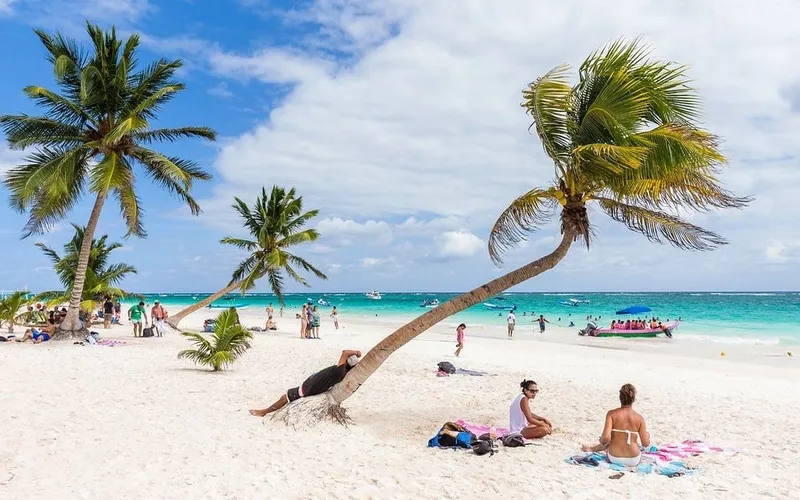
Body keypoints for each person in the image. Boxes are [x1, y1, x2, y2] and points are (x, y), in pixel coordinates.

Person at [249, 349, 362, 417]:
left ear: (346, 362)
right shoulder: (344, 372)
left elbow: (345, 352)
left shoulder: (339, 370)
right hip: (312, 386)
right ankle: (265, 411)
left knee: (284, 397)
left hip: (308, 389)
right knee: (287, 397)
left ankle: (264, 412)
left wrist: (356, 352)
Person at [581, 384, 650, 467]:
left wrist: (604, 440)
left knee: (612, 439)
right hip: (633, 459)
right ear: (634, 399)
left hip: (614, 457)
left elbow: (605, 439)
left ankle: (591, 449)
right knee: (643, 435)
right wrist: (647, 436)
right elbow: (645, 444)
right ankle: (591, 448)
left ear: (620, 398)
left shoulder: (611, 414)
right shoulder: (639, 418)